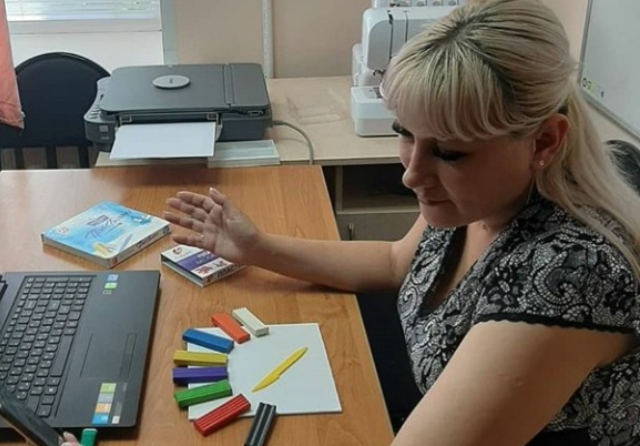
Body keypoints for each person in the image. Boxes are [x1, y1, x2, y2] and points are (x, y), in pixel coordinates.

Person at [163, 0, 640, 445]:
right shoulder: (482, 199)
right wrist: (256, 248)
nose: (412, 175)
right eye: (405, 133)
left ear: (544, 142)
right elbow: (396, 262)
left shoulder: (569, 273)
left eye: (449, 153)